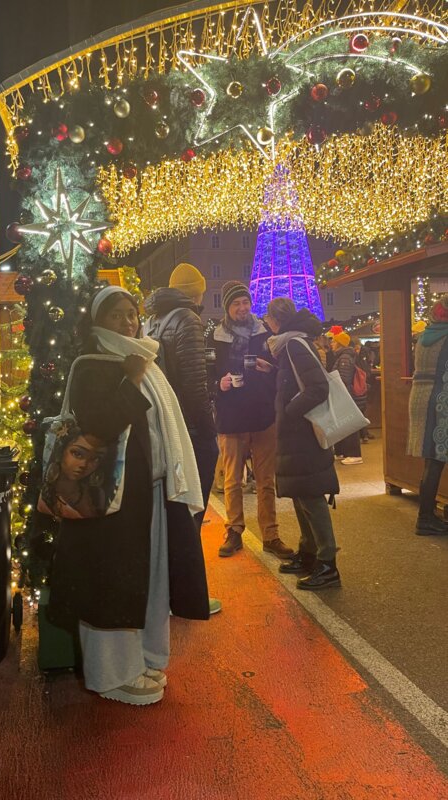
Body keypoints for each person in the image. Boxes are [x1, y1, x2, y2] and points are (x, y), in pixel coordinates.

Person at [48, 285, 209, 706]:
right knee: (110, 587)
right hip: (109, 502)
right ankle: (111, 675)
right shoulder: (92, 364)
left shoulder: (146, 358)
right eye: (116, 315)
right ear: (99, 322)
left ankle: (145, 656)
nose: (127, 322)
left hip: (149, 493)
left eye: (131, 313)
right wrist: (131, 378)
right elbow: (98, 425)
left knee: (147, 582)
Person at [144, 262, 221, 614]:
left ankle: (169, 592)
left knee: (173, 514)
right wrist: (208, 429)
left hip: (167, 427)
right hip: (190, 428)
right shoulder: (187, 320)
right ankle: (189, 596)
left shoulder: (156, 319)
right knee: (192, 510)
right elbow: (194, 382)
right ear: (199, 290)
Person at [212, 280, 293, 559]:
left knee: (265, 480)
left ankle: (270, 534)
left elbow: (283, 370)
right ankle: (234, 530)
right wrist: (218, 384)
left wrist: (269, 368)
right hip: (231, 416)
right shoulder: (216, 336)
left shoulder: (264, 334)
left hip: (262, 414)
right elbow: (206, 373)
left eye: (245, 302)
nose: (242, 308)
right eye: (236, 304)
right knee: (232, 480)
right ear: (227, 308)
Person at [265, 297, 341, 590]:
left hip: (303, 433)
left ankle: (327, 563)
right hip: (296, 434)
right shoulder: (290, 345)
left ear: (275, 320)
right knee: (300, 492)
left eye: (268, 320)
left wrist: (290, 411)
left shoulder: (294, 345)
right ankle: (308, 553)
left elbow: (318, 387)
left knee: (310, 495)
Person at [407, 294, 448, 536]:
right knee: (436, 460)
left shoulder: (424, 336)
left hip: (420, 397)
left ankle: (426, 515)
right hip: (441, 398)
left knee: (431, 461)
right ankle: (425, 518)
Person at [38, 422, 111, 519]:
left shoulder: (96, 495)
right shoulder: (45, 493)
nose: (84, 465)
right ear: (61, 450)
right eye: (77, 454)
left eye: (95, 459)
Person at [329, 330, 363, 465]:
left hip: (345, 394)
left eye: (333, 341)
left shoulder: (344, 358)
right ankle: (342, 451)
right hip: (343, 393)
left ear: (339, 344)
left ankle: (354, 454)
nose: (331, 344)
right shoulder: (344, 356)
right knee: (343, 423)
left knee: (349, 424)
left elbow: (343, 378)